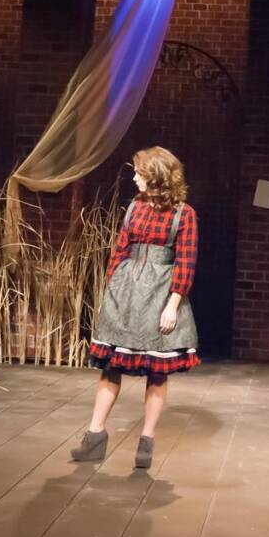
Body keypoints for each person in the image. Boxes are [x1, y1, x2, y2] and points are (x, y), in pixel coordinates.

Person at [71, 147, 200, 469]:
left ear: (156, 175)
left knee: (156, 371)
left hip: (159, 293)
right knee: (110, 366)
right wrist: (112, 289)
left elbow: (186, 262)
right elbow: (119, 251)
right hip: (126, 293)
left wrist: (173, 305)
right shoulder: (134, 208)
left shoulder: (184, 214)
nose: (134, 177)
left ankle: (146, 439)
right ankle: (95, 434)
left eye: (139, 173)